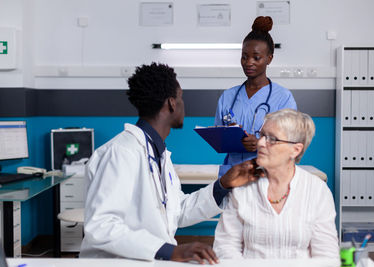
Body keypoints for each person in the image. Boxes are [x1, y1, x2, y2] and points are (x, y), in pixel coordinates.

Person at [79, 63, 261, 263]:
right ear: (172, 103)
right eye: (181, 98)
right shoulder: (121, 152)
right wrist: (169, 251)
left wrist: (223, 185)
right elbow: (101, 225)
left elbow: (177, 211)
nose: (183, 104)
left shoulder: (158, 153)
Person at [213, 109, 339, 259]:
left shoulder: (317, 191)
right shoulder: (243, 186)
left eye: (272, 139)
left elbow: (326, 255)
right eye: (262, 135)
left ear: (295, 150)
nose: (260, 143)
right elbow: (226, 246)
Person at [215, 16, 297, 177]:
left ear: (269, 59)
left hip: (266, 175)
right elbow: (219, 138)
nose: (248, 62)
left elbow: (290, 142)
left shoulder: (283, 98)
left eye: (256, 57)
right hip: (232, 175)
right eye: (244, 56)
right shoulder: (228, 96)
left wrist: (260, 142)